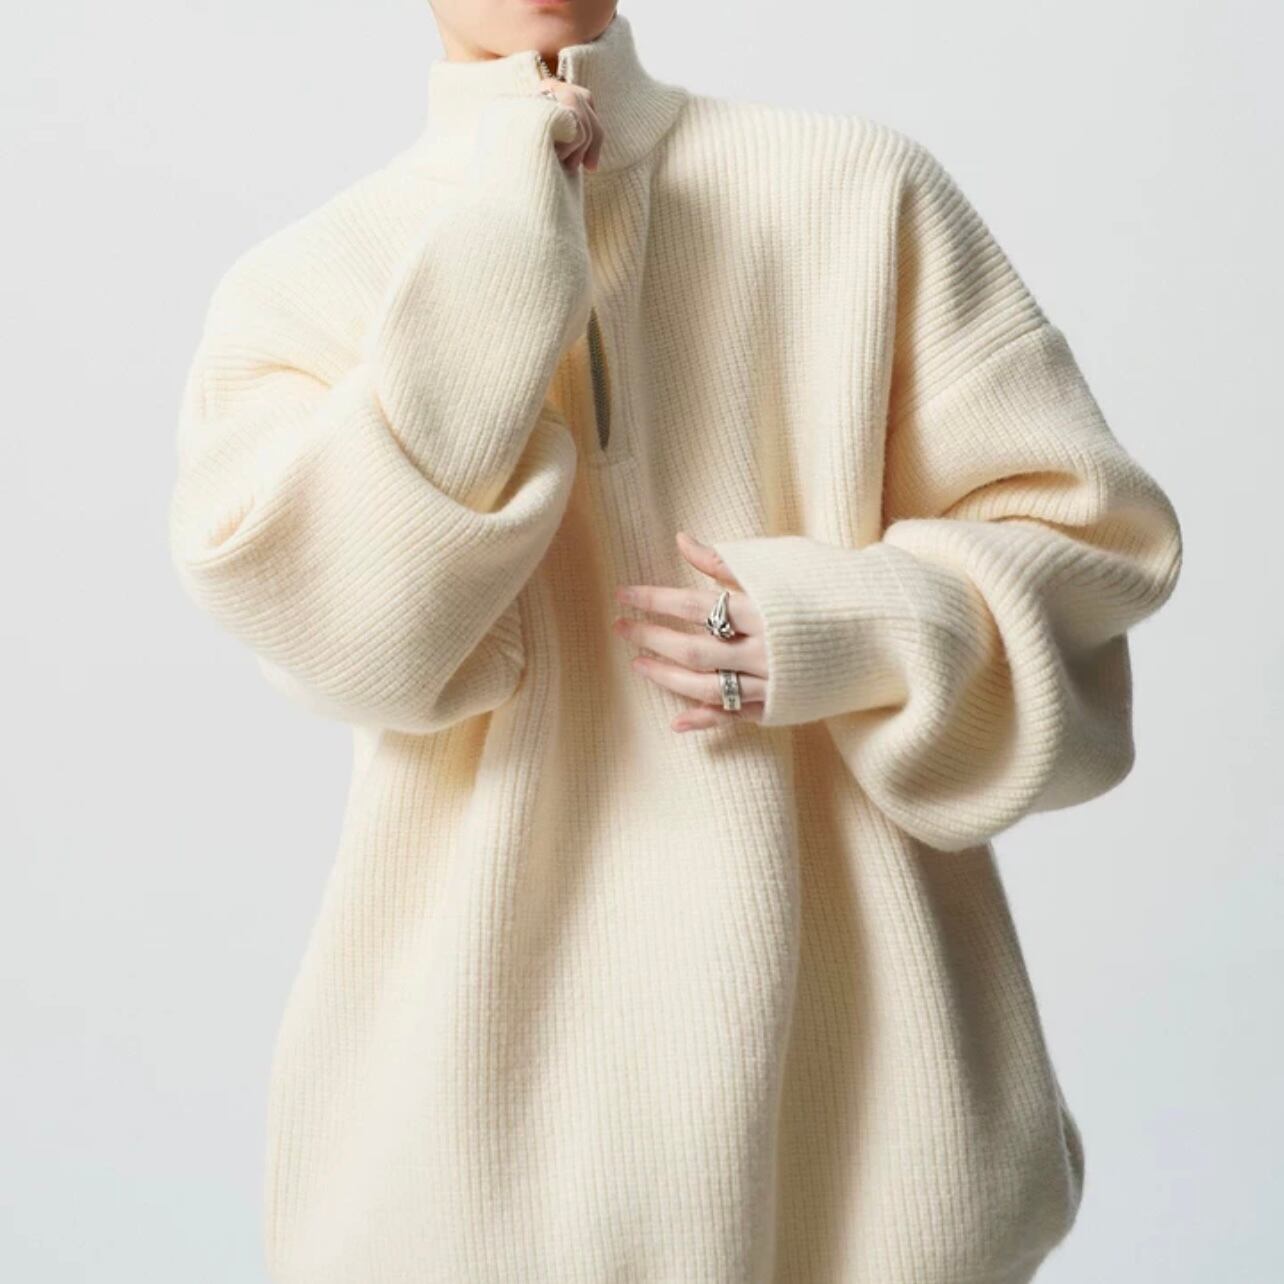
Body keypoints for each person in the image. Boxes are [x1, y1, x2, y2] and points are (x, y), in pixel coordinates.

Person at [166, 2, 1183, 1281]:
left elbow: (1096, 559)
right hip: (477, 1146)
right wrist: (499, 261)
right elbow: (343, 634)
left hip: (867, 1135)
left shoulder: (858, 194)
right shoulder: (304, 292)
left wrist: (852, 625)